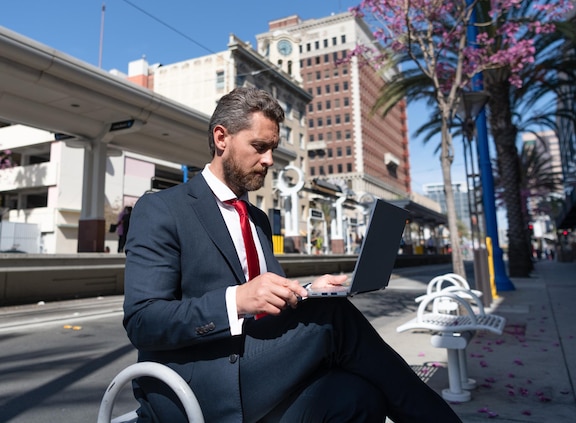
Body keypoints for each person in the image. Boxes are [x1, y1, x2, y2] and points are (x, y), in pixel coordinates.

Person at [123, 87, 461, 422]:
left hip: (257, 366)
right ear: (221, 138)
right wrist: (236, 300)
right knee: (334, 316)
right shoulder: (163, 209)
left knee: (361, 397)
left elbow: (266, 299)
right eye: (259, 147)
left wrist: (310, 290)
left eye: (272, 148)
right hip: (199, 382)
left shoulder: (257, 219)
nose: (269, 160)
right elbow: (143, 321)